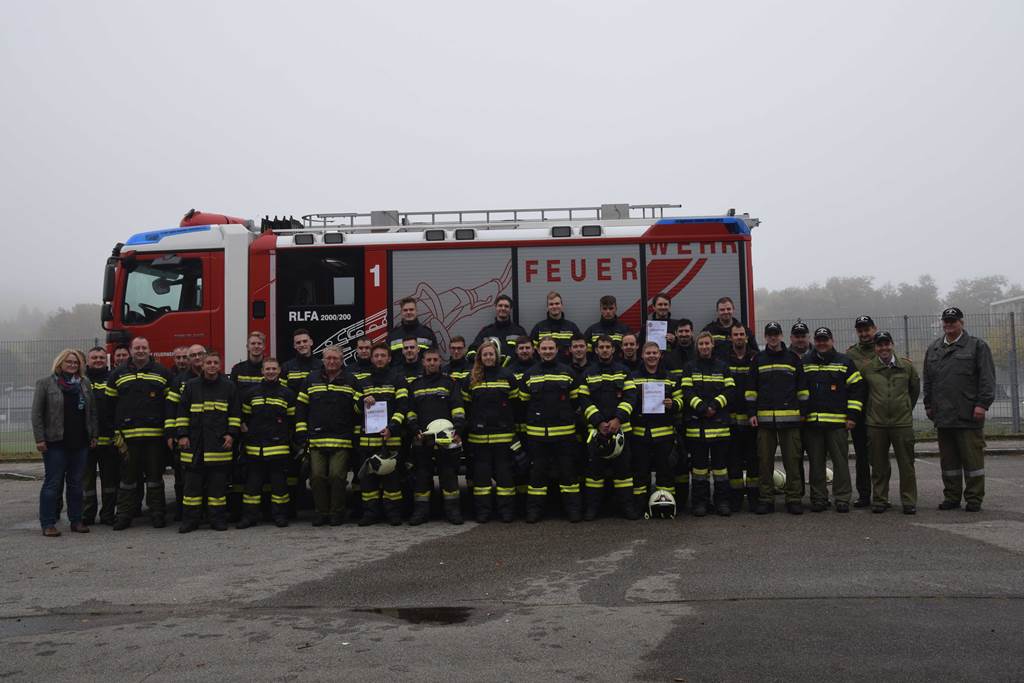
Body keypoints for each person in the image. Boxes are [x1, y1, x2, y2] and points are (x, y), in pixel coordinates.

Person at [923, 307, 996, 512]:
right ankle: (952, 497)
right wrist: (928, 404)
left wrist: (982, 405)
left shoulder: (977, 346)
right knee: (949, 462)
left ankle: (974, 499)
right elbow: (928, 380)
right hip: (943, 416)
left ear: (961, 323)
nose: (949, 325)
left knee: (973, 462)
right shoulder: (934, 348)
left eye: (953, 321)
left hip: (968, 414)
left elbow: (987, 379)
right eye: (946, 321)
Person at [106, 336, 174, 530]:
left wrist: (167, 431)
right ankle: (124, 516)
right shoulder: (118, 374)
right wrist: (115, 432)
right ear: (131, 350)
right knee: (127, 479)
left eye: (144, 347)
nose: (141, 351)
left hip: (155, 438)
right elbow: (109, 407)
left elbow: (170, 404)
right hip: (128, 439)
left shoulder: (162, 373)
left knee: (154, 478)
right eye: (137, 348)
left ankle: (157, 514)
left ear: (149, 349)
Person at [32, 349, 98, 536]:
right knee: (53, 483)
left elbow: (92, 412)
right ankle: (48, 523)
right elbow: (36, 414)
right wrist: (39, 439)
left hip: (80, 442)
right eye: (69, 361)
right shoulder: (45, 384)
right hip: (54, 443)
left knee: (76, 484)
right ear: (60, 363)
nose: (72, 365)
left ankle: (76, 521)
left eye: (76, 362)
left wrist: (94, 435)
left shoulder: (85, 384)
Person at [175, 351, 241, 533]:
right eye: (208, 362)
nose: (212, 365)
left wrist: (231, 434)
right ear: (202, 365)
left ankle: (217, 520)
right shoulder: (190, 386)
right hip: (194, 445)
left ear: (219, 366)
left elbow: (235, 414)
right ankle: (190, 521)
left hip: (219, 445)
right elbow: (182, 412)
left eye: (215, 362)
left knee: (217, 489)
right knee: (191, 490)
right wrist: (182, 435)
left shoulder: (229, 387)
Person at [519, 336, 583, 523]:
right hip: (537, 436)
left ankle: (573, 510)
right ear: (538, 351)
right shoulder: (529, 374)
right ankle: (534, 511)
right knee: (537, 475)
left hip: (564, 436)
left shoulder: (568, 372)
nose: (547, 352)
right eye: (544, 348)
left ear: (557, 350)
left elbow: (576, 401)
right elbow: (523, 403)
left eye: (551, 348)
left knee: (568, 474)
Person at [801, 327, 864, 513]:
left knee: (840, 463)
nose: (821, 343)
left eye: (825, 339)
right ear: (814, 340)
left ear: (832, 341)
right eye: (819, 340)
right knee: (816, 463)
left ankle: (842, 498)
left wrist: (852, 416)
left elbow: (857, 389)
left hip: (838, 424)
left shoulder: (844, 362)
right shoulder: (805, 362)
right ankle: (819, 498)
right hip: (813, 423)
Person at [749, 322, 808, 515]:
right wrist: (751, 414)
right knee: (765, 462)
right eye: (769, 335)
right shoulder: (758, 359)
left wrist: (803, 412)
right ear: (765, 337)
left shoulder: (793, 358)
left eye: (776, 334)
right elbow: (751, 391)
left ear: (781, 336)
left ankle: (794, 498)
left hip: (791, 420)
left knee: (792, 461)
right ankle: (766, 499)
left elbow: (802, 389)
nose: (773, 338)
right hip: (765, 421)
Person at [295, 346, 357, 526]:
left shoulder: (350, 380)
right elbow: (301, 408)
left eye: (335, 358)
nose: (331, 361)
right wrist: (301, 432)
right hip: (316, 439)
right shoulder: (311, 379)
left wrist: (365, 402)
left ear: (342, 360)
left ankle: (337, 512)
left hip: (342, 439)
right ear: (322, 360)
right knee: (316, 477)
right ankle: (321, 513)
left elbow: (358, 410)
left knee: (337, 476)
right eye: (328, 358)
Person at [578, 335, 638, 520]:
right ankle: (592, 509)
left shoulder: (624, 371)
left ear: (613, 349)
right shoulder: (587, 373)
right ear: (595, 350)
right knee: (594, 475)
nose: (604, 350)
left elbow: (631, 397)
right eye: (601, 347)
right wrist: (598, 422)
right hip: (597, 433)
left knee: (624, 474)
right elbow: (584, 400)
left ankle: (627, 508)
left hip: (620, 432)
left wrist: (617, 420)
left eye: (608, 347)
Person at [862, 331, 921, 514]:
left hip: (901, 423)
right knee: (878, 465)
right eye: (880, 345)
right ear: (875, 348)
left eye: (886, 344)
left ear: (892, 344)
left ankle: (909, 501)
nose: (884, 348)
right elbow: (863, 394)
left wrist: (904, 408)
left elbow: (914, 390)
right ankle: (880, 499)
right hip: (876, 424)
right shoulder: (868, 369)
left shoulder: (907, 367)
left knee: (906, 465)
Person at [407, 347, 466, 525]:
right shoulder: (415, 385)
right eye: (429, 360)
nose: (432, 363)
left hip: (445, 437)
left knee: (448, 473)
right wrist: (414, 428)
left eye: (435, 360)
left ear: (440, 362)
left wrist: (457, 429)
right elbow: (410, 411)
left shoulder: (450, 383)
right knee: (422, 474)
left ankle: (452, 511)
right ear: (423, 362)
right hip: (422, 437)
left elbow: (458, 408)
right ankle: (421, 512)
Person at [465, 340, 521, 522]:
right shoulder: (472, 378)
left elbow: (516, 405)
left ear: (497, 356)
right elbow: (466, 407)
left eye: (491, 354)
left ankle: (506, 512)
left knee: (505, 476)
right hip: (479, 438)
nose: (488, 357)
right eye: (485, 354)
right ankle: (483, 512)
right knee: (481, 479)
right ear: (480, 357)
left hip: (503, 437)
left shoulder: (507, 376)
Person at [680, 332, 735, 517]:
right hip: (697, 428)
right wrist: (703, 407)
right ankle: (699, 503)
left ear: (712, 345)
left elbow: (730, 391)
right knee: (699, 469)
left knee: (721, 469)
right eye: (701, 344)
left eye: (707, 343)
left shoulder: (723, 367)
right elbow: (686, 391)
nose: (704, 347)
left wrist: (715, 405)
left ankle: (722, 502)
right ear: (697, 346)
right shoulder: (689, 367)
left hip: (719, 428)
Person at [354, 342, 408, 526]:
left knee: (392, 481)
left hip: (390, 438)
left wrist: (392, 427)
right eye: (376, 356)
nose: (379, 359)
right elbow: (353, 409)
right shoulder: (363, 381)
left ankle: (393, 514)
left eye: (383, 356)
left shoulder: (398, 379)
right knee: (368, 482)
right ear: (371, 358)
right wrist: (362, 401)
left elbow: (403, 408)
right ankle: (370, 514)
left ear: (389, 358)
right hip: (367, 442)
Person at [238, 357, 295, 528]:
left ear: (279, 371)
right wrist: (244, 430)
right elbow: (244, 417)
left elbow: (292, 421)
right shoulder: (251, 393)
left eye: (273, 369)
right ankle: (249, 517)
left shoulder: (287, 394)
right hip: (255, 448)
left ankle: (279, 516)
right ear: (262, 371)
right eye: (267, 369)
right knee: (252, 486)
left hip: (278, 448)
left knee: (279, 486)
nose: (270, 372)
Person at [629, 342, 683, 514]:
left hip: (664, 434)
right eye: (648, 353)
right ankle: (639, 506)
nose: (651, 356)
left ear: (660, 355)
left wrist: (672, 404)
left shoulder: (670, 378)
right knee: (640, 471)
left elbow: (681, 401)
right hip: (640, 433)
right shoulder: (633, 377)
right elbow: (627, 401)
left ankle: (664, 506)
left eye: (655, 353)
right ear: (642, 355)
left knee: (665, 471)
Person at [166, 344, 205, 521]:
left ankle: (205, 512)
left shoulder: (215, 378)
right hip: (186, 436)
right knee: (183, 477)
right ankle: (182, 512)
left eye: (200, 354)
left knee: (208, 476)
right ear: (189, 359)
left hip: (208, 437)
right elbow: (171, 408)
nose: (197, 358)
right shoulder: (179, 381)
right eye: (193, 355)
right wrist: (171, 433)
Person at [726, 322, 759, 511]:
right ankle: (736, 498)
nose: (738, 337)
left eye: (741, 334)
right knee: (734, 460)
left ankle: (754, 497)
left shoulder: (756, 358)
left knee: (753, 458)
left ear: (747, 337)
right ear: (730, 338)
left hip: (750, 418)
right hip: (731, 419)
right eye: (735, 334)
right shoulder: (724, 359)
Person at [82, 347, 117, 525]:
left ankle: (108, 514)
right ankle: (87, 514)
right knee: (86, 482)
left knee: (109, 481)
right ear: (87, 361)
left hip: (108, 440)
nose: (98, 360)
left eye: (101, 357)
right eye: (94, 357)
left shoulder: (112, 378)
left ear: (107, 360)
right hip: (86, 441)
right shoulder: (80, 380)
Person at [845, 315, 877, 507]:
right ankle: (864, 494)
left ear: (874, 328)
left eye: (867, 329)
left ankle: (882, 494)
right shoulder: (851, 355)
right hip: (859, 413)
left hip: (880, 413)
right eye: (860, 330)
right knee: (861, 457)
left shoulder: (883, 349)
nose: (864, 334)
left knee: (879, 457)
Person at [470, 294, 527, 363]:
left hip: (513, 371)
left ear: (510, 309)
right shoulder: (486, 332)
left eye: (506, 306)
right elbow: (473, 349)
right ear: (496, 307)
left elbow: (527, 351)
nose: (503, 308)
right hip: (490, 371)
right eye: (500, 305)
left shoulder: (519, 331)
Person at [529, 291, 581, 363]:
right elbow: (532, 352)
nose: (554, 306)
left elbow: (580, 350)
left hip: (566, 371)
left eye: (557, 303)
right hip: (544, 371)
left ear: (562, 306)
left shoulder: (572, 327)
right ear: (547, 307)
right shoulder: (539, 328)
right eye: (551, 304)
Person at [388, 296, 437, 365]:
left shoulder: (427, 334)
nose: (408, 312)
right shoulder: (393, 335)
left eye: (411, 309)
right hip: (398, 375)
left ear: (416, 311)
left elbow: (435, 358)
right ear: (401, 312)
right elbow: (388, 359)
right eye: (405, 310)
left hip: (422, 374)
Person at [281, 328, 323, 394]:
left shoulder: (321, 365)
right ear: (294, 346)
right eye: (298, 343)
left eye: (305, 341)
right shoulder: (287, 367)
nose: (302, 345)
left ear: (311, 342)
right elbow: (282, 391)